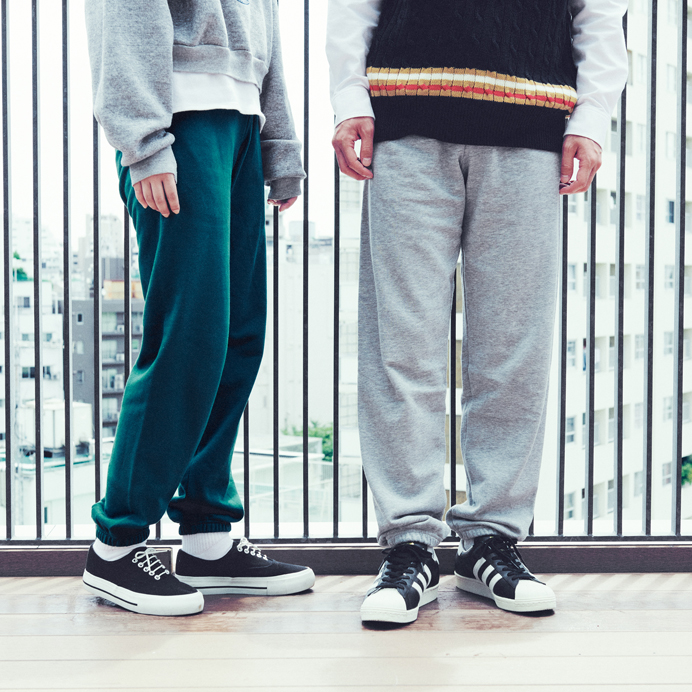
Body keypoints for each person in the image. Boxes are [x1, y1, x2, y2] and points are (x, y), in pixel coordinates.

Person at [327, 0, 628, 624]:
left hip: (532, 127)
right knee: (401, 345)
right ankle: (409, 545)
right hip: (405, 122)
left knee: (513, 346)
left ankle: (490, 541)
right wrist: (350, 98)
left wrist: (593, 115)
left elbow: (600, 11)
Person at [82, 0, 315, 617]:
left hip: (240, 124)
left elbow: (264, 30)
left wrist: (280, 143)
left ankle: (208, 537)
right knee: (188, 335)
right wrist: (144, 142)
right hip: (178, 121)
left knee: (237, 335)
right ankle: (117, 543)